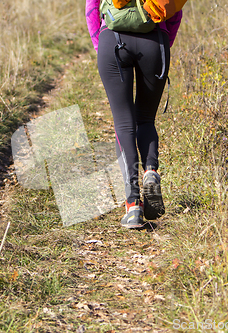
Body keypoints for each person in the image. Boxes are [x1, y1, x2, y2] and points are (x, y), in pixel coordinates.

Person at [85, 0, 182, 228]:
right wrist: (164, 43)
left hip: (114, 39)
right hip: (155, 40)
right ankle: (150, 171)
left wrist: (101, 45)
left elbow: (92, 8)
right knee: (146, 119)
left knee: (124, 124)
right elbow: (175, 12)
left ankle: (133, 205)